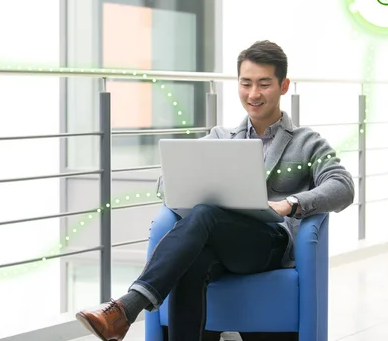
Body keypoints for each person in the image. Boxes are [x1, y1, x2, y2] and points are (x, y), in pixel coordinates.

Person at [75, 40, 355, 341]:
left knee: (205, 215)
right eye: (245, 83)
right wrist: (187, 183)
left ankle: (128, 308)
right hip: (219, 242)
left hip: (268, 245)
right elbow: (165, 183)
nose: (253, 94)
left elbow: (343, 186)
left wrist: (290, 203)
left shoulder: (307, 142)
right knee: (192, 255)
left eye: (264, 84)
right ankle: (128, 313)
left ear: (284, 86)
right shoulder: (220, 138)